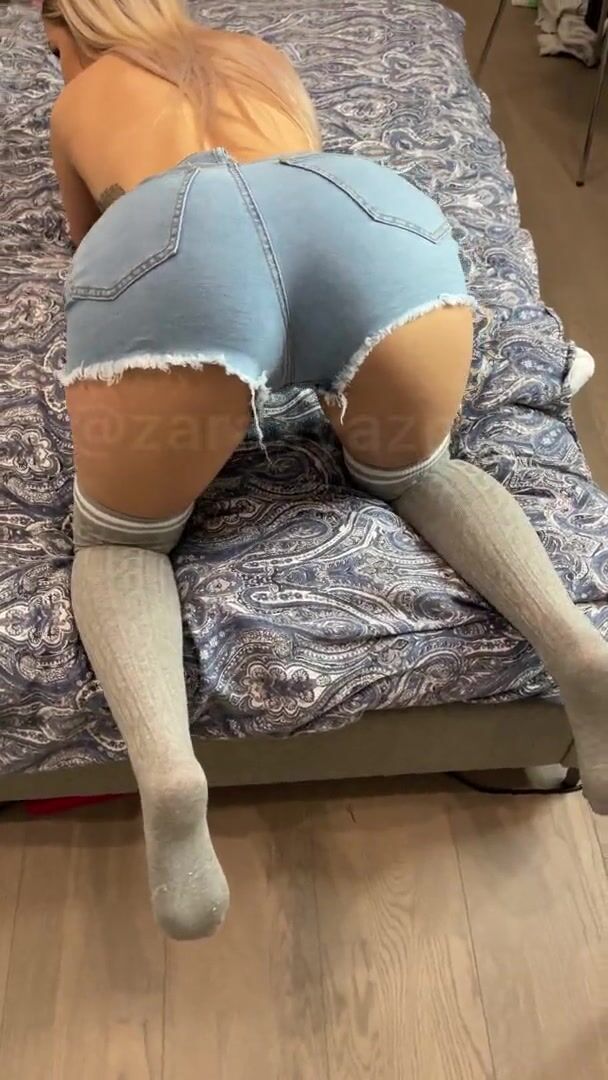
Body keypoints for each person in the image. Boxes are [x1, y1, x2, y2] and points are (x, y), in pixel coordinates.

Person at [42, 0, 607, 940]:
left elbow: (81, 229)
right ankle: (576, 645)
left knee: (120, 540)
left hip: (177, 247)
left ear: (68, 27)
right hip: (357, 214)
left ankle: (171, 772)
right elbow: (291, 177)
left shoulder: (79, 96)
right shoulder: (254, 52)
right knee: (419, 470)